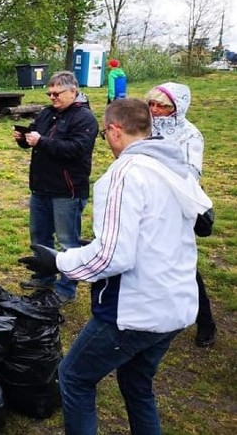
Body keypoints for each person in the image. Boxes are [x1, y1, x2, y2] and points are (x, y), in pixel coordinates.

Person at [19, 98, 211, 435]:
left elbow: (113, 256)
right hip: (178, 304)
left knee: (75, 377)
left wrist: (59, 260)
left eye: (106, 134)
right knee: (137, 382)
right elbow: (204, 214)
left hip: (136, 310)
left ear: (114, 130)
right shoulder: (172, 165)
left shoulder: (124, 174)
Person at [13, 70, 97, 305]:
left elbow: (76, 149)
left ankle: (66, 288)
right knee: (40, 237)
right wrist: (23, 138)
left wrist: (42, 141)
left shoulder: (84, 118)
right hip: (41, 187)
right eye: (49, 93)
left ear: (73, 91)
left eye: (56, 93)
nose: (52, 97)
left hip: (67, 190)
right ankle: (45, 275)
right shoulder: (47, 113)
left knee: (68, 242)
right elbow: (35, 136)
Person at [147, 82, 216, 347]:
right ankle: (153, 314)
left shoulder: (190, 135)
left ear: (178, 107)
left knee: (183, 266)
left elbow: (191, 174)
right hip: (147, 201)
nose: (155, 110)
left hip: (176, 205)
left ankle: (205, 321)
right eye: (151, 104)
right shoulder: (147, 126)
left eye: (161, 106)